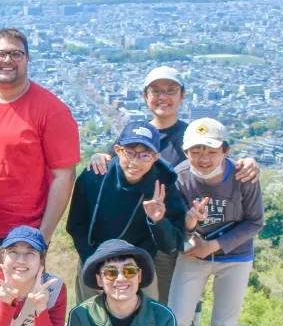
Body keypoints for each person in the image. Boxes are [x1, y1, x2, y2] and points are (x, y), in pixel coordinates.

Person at [86, 66, 259, 299]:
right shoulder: (137, 135)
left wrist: (247, 163)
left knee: (169, 308)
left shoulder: (191, 137)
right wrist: (99, 157)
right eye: (155, 91)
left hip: (170, 240)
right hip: (130, 237)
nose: (163, 97)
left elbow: (217, 163)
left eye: (170, 90)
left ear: (182, 95)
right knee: (124, 302)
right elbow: (113, 166)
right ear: (145, 96)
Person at [0, 28, 80, 277]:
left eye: (16, 54)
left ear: (27, 60)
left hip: (18, 235)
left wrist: (44, 237)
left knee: (14, 308)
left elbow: (64, 177)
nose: (7, 60)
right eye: (0, 54)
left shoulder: (52, 111)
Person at [168, 118, 264, 326]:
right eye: (196, 151)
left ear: (225, 150)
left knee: (223, 325)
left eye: (210, 150)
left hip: (234, 256)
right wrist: (191, 226)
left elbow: (254, 221)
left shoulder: (242, 176)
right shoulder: (180, 177)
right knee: (179, 319)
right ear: (186, 153)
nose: (203, 158)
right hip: (194, 253)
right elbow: (175, 223)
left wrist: (216, 245)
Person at [66, 121, 186, 302]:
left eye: (144, 155)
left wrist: (158, 221)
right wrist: (93, 263)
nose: (135, 162)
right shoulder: (95, 176)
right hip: (93, 259)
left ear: (155, 157)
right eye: (129, 152)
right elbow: (76, 225)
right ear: (117, 150)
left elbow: (170, 245)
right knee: (90, 322)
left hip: (139, 268)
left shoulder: (163, 186)